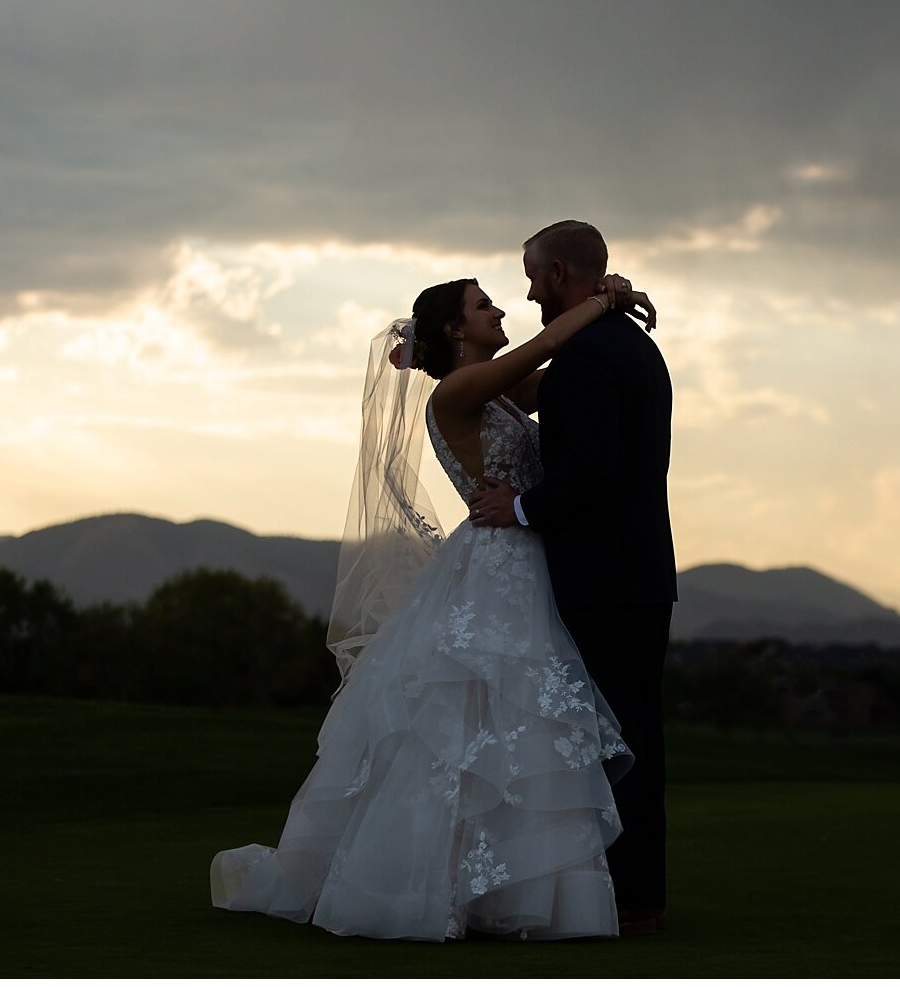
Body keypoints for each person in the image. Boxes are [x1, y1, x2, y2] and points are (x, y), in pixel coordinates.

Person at [210, 267, 658, 942]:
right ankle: (436, 886)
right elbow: (542, 351)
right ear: (455, 329)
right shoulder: (458, 389)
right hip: (495, 564)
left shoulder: (502, 393)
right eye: (484, 305)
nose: (502, 309)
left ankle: (502, 887)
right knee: (468, 725)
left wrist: (604, 304)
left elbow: (561, 371)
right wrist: (600, 299)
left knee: (512, 727)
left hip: (523, 557)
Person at [468, 220, 677, 936]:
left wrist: (520, 504)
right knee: (635, 738)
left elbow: (589, 470)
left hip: (603, 578)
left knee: (608, 744)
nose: (526, 294)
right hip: (641, 572)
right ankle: (636, 894)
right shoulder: (631, 342)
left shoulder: (586, 356)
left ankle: (619, 897)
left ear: (558, 273)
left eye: (531, 277)